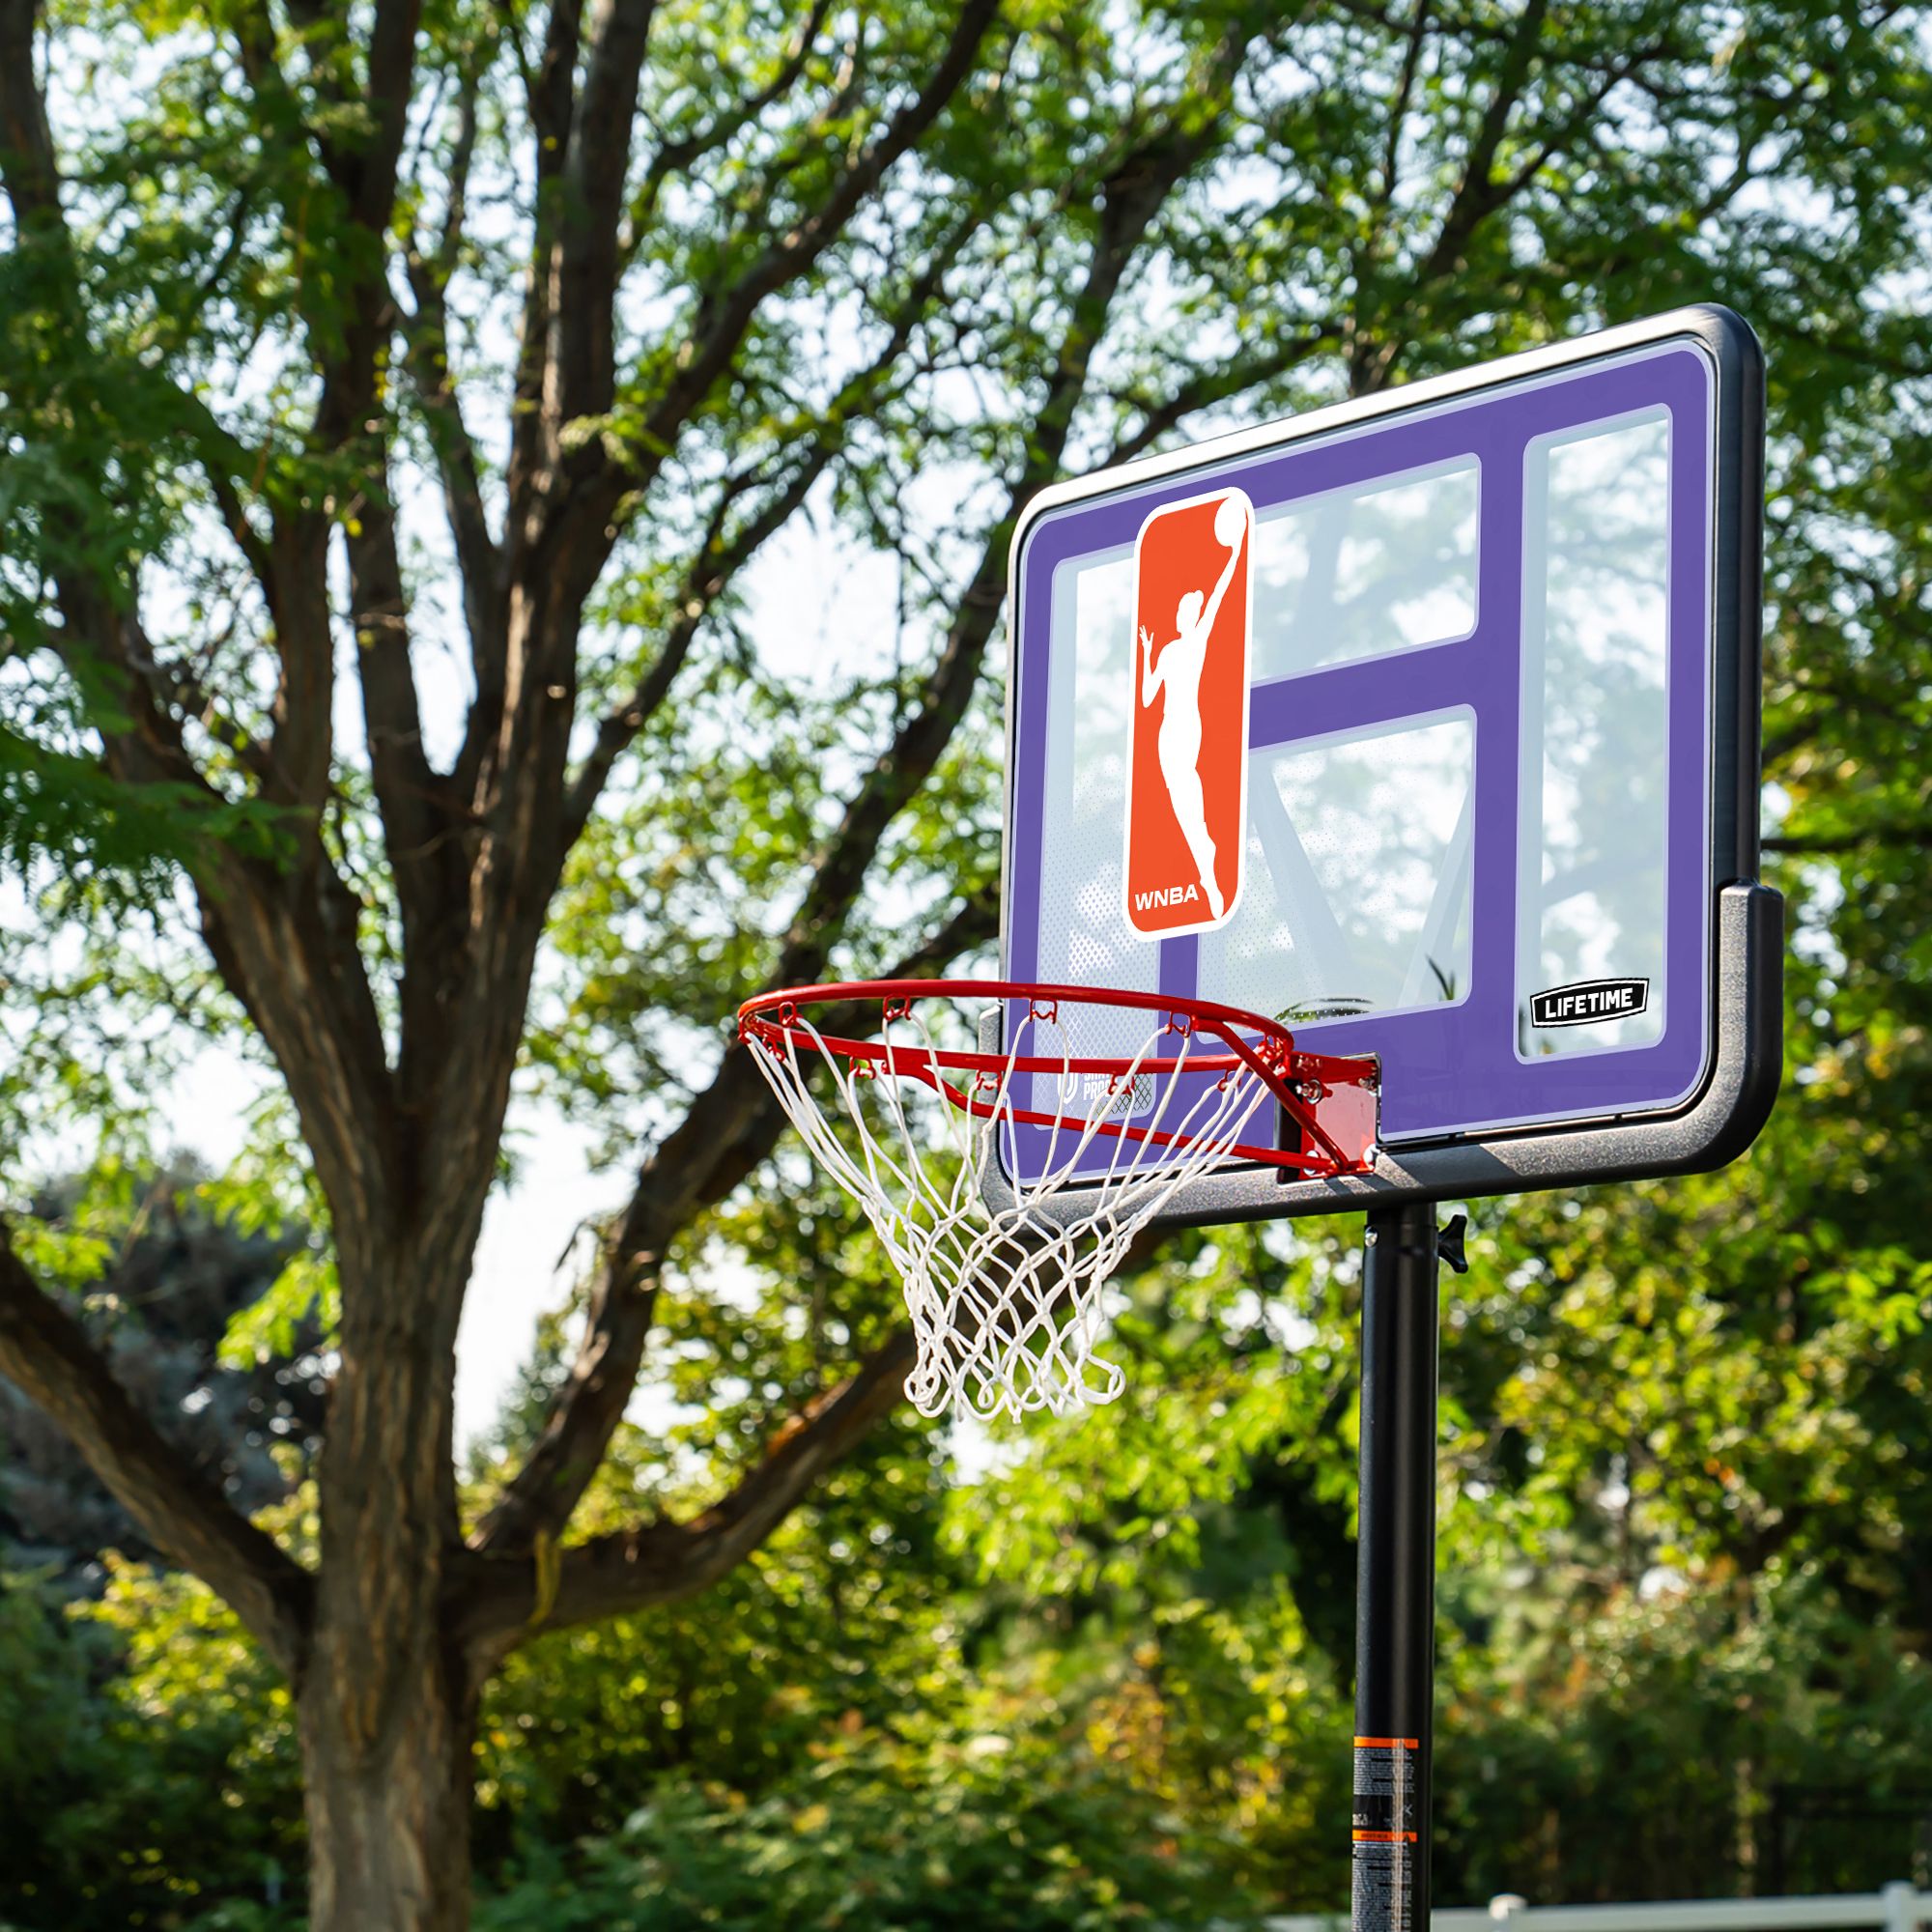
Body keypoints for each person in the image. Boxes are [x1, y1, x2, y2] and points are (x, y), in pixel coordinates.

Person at [1138, 502, 1245, 921]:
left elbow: (1219, 596)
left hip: (1187, 728)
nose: (1188, 612)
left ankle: (1208, 868)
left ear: (1195, 616)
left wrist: (1234, 555)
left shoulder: (1198, 639)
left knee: (1192, 799)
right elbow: (1147, 697)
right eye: (1184, 609)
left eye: (1192, 609)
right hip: (1164, 734)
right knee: (1181, 804)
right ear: (1178, 615)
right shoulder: (1166, 649)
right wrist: (1148, 654)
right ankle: (1204, 862)